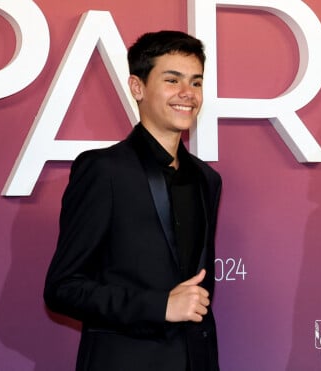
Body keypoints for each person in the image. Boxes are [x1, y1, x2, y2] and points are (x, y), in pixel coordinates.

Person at [44, 30, 221, 371]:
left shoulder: (207, 180)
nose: (187, 93)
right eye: (172, 80)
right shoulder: (104, 170)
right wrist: (159, 306)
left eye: (196, 83)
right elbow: (63, 288)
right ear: (137, 87)